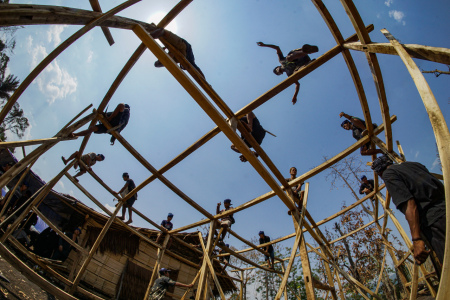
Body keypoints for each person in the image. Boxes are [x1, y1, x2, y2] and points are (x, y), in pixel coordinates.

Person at [371, 155, 446, 272]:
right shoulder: (413, 164)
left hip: (436, 222)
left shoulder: (388, 174)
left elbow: (409, 204)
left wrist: (416, 239)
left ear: (379, 173)